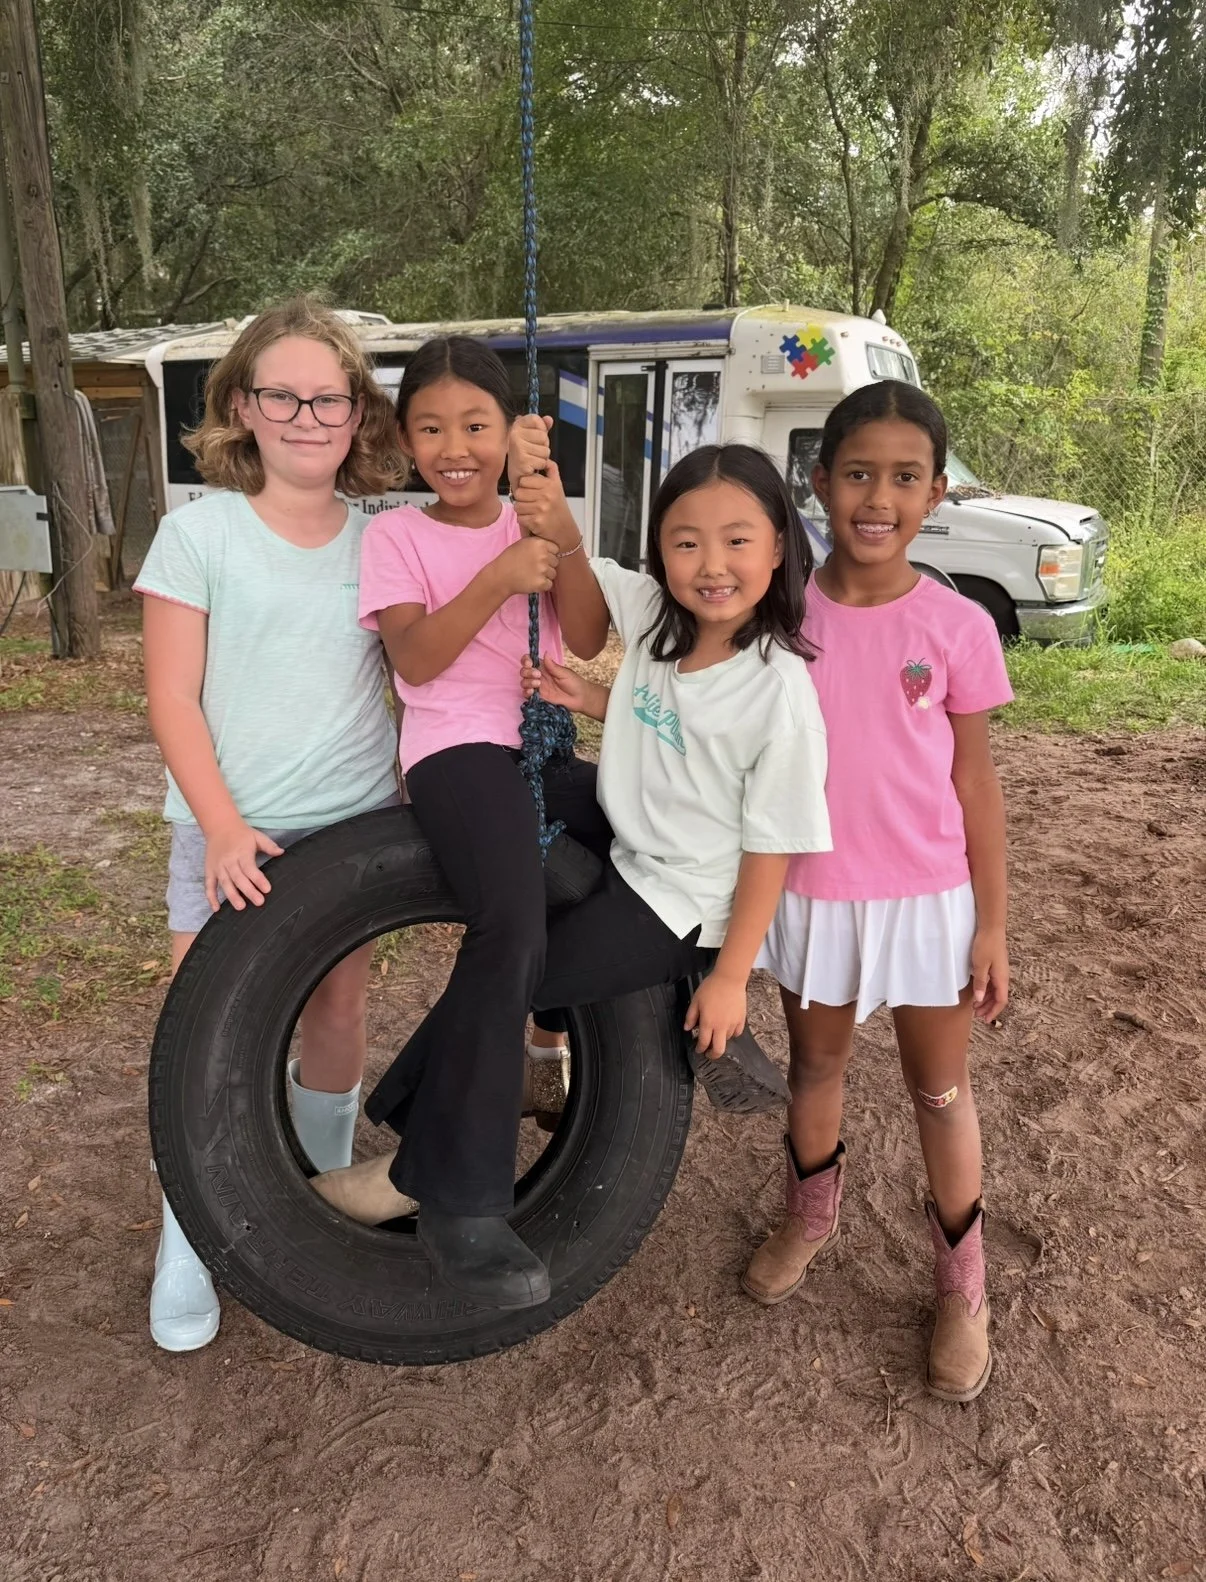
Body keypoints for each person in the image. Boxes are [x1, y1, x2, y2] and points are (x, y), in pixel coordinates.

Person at [318, 442, 833, 1291]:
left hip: (680, 900)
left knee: (514, 972)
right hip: (633, 836)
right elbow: (581, 582)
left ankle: (414, 1172)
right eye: (686, 541)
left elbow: (770, 844)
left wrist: (735, 973)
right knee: (510, 891)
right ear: (660, 549)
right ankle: (461, 1106)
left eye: (738, 541)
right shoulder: (664, 626)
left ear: (779, 547)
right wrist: (588, 691)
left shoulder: (779, 692)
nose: (711, 566)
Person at [314, 337, 613, 1311]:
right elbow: (418, 663)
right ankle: (457, 1199)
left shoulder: (531, 517)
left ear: (507, 433)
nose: (455, 446)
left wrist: (556, 524)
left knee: (637, 834)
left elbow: (586, 633)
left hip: (538, 747)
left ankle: (430, 1090)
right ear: (405, 439)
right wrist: (492, 576)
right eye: (433, 427)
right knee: (513, 921)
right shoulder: (398, 538)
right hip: (455, 756)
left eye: (476, 426)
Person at [135, 298, 406, 1351]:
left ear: (356, 413)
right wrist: (224, 824)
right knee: (200, 1034)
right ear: (243, 407)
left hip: (352, 831)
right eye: (282, 394)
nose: (305, 414)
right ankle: (189, 1228)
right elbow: (170, 697)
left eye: (327, 397)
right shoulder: (198, 532)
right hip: (228, 830)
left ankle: (308, 1201)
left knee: (337, 1013)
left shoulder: (383, 543)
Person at [742, 380, 1013, 1404]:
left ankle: (962, 1284)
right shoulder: (778, 614)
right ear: (818, 482)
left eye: (905, 477)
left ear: (936, 492)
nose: (878, 497)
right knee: (814, 1067)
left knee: (939, 1091)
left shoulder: (954, 627)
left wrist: (992, 922)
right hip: (811, 891)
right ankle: (808, 1216)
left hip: (929, 899)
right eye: (859, 473)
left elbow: (975, 782)